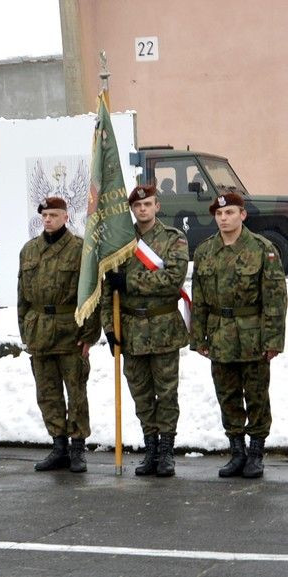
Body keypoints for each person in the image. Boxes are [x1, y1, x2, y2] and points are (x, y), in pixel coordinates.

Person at [191, 191, 287, 478]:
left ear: (242, 215)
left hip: (253, 335)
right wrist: (199, 338)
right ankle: (237, 452)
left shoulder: (263, 249)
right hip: (219, 334)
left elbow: (275, 300)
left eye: (230, 212)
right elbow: (200, 300)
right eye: (219, 214)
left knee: (256, 395)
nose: (224, 218)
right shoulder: (205, 251)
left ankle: (256, 454)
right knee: (228, 395)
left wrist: (273, 340)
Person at [101, 185, 189, 477]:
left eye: (148, 204)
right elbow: (107, 289)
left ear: (157, 206)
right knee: (141, 393)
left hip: (163, 327)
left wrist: (130, 282)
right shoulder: (121, 242)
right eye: (137, 206)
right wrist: (109, 326)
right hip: (131, 329)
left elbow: (173, 278)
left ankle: (166, 451)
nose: (142, 210)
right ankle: (150, 449)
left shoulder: (173, 239)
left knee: (166, 393)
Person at [18, 197, 101, 473]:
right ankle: (58, 446)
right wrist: (25, 330)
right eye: (44, 215)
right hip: (39, 330)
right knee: (48, 393)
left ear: (66, 217)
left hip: (70, 329)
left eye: (54, 215)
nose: (48, 220)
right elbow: (22, 296)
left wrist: (89, 333)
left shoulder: (80, 249)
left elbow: (91, 294)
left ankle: (78, 448)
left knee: (76, 391)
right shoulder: (30, 251)